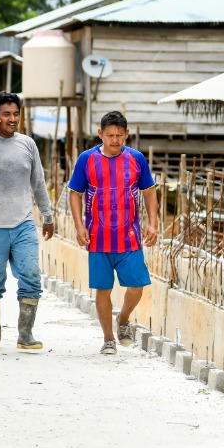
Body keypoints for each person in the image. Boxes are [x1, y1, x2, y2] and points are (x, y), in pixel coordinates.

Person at [0, 91, 54, 351]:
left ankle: (25, 334)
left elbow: (38, 183)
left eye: (16, 113)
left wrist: (47, 215)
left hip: (23, 223)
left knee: (31, 275)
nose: (12, 118)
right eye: (6, 114)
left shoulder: (27, 144)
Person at [68, 111, 159, 355]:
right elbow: (74, 194)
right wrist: (79, 226)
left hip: (130, 237)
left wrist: (153, 223)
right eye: (110, 135)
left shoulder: (137, 159)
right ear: (101, 134)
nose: (115, 140)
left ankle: (124, 319)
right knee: (103, 290)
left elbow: (149, 192)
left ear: (126, 134)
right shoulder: (86, 160)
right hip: (97, 238)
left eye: (119, 135)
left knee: (138, 286)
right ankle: (108, 338)